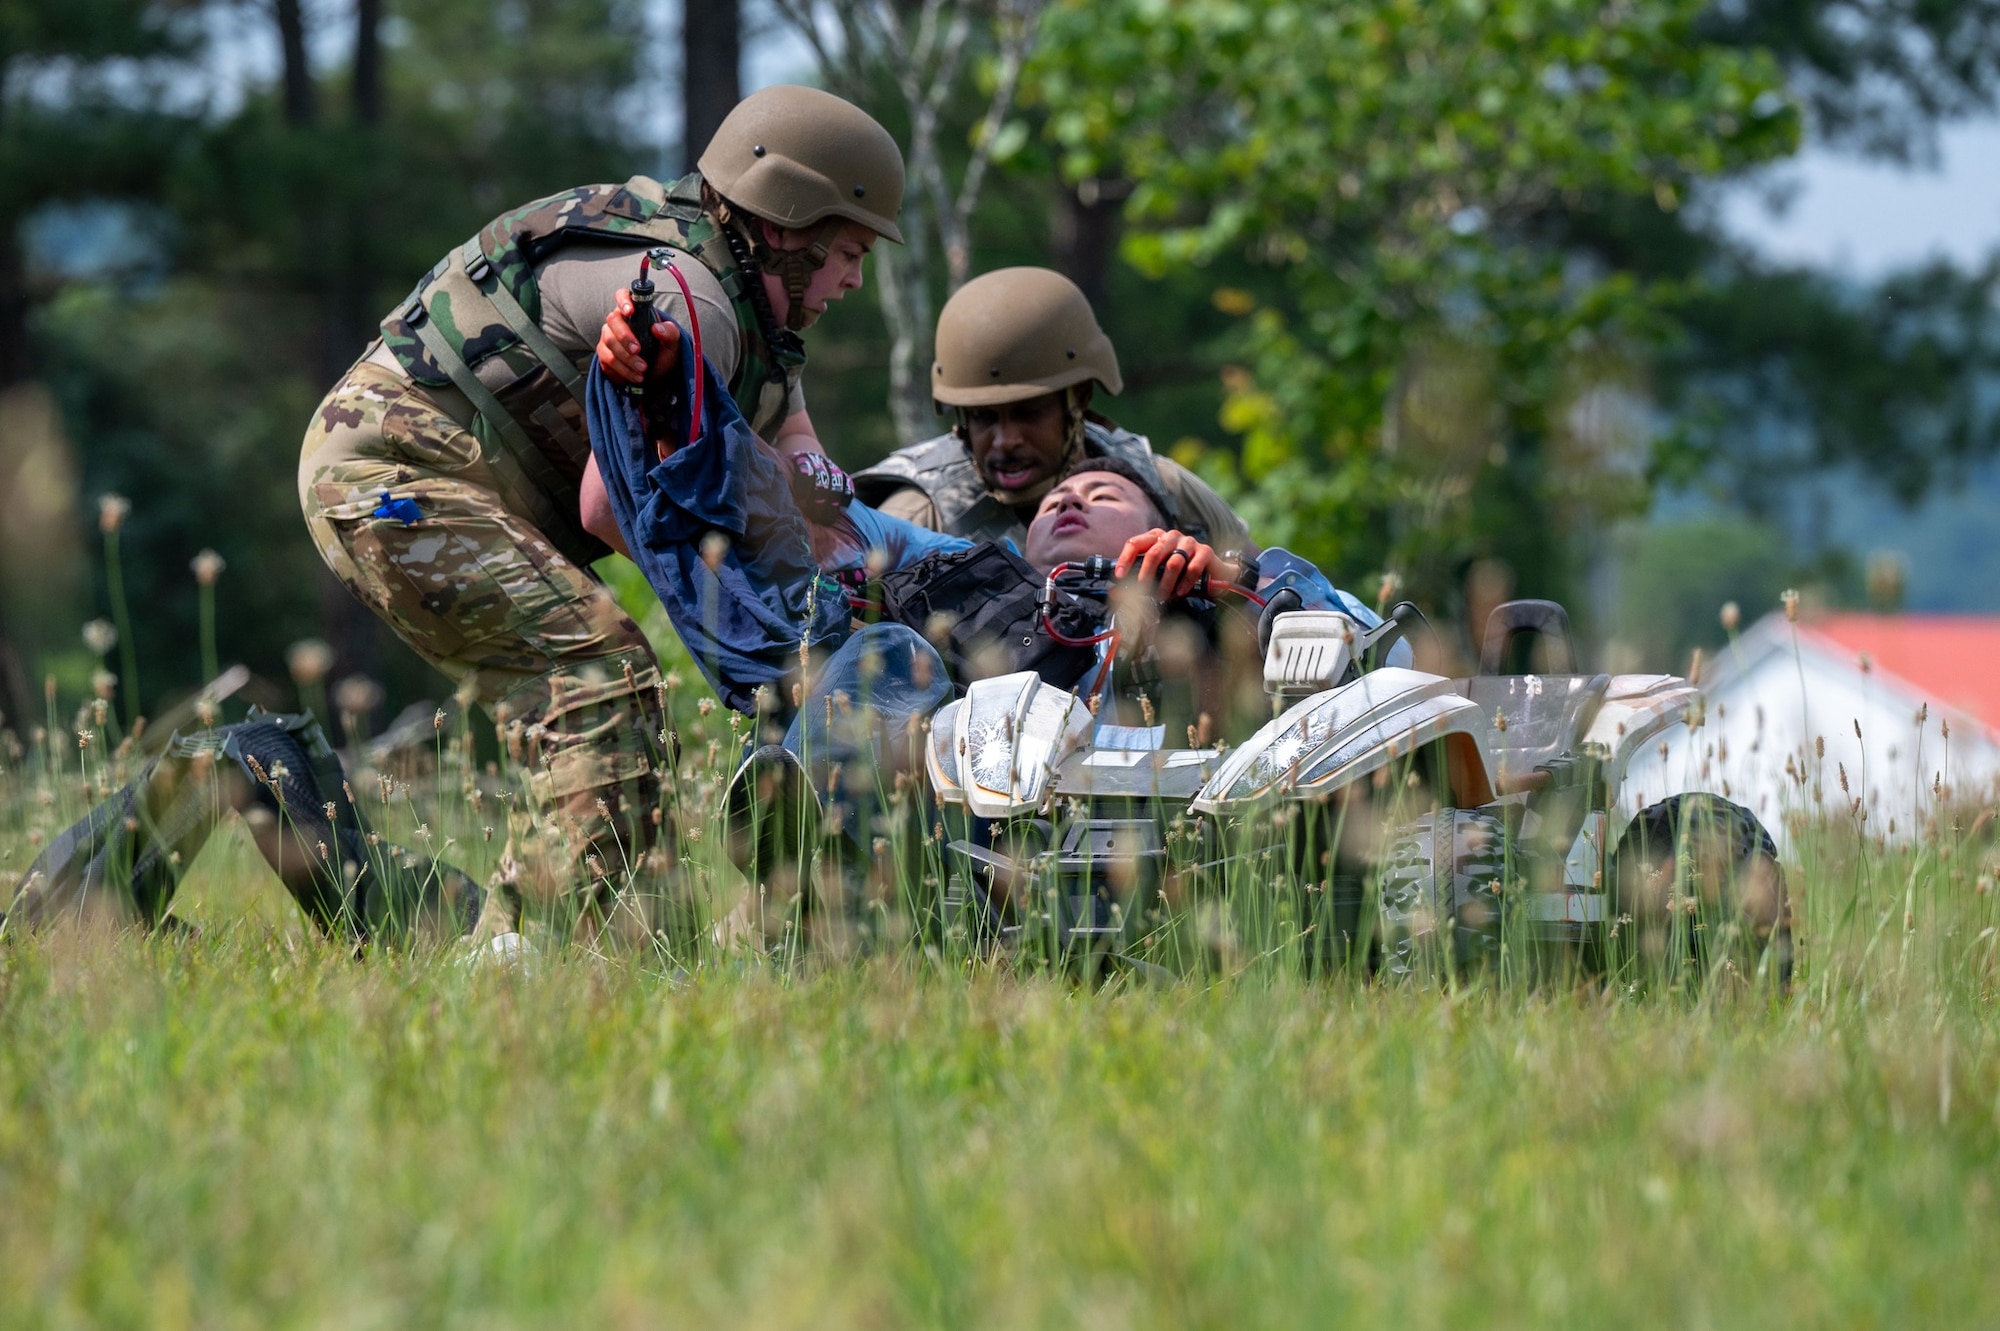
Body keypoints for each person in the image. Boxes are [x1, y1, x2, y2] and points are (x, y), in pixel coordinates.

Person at [297, 85, 904, 941]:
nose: (855, 278)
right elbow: (612, 508)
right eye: (847, 250)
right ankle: (524, 966)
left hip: (444, 474)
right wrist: (780, 638)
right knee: (598, 677)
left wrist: (813, 486)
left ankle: (597, 954)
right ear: (784, 224)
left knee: (616, 693)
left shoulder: (747, 302)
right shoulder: (696, 299)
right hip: (390, 470)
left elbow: (786, 420)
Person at [851, 267, 1253, 554]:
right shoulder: (921, 511)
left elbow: (1270, 587)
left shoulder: (1154, 484)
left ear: (1078, 399)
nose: (1006, 440)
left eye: (1029, 413)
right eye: (983, 417)